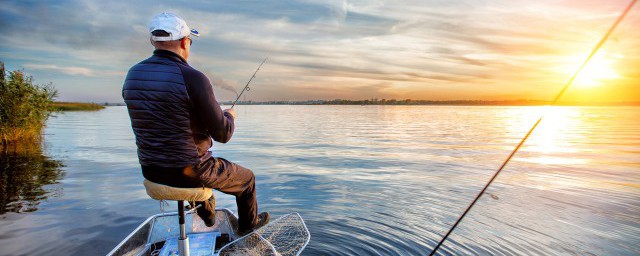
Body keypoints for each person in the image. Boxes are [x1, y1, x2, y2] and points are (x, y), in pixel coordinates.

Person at [122, 12, 269, 235]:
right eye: (190, 41)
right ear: (184, 42)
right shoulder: (193, 77)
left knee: (200, 166)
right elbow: (223, 134)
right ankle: (248, 228)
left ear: (154, 41)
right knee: (246, 179)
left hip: (151, 171)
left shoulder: (133, 75)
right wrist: (229, 116)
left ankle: (206, 209)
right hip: (190, 171)